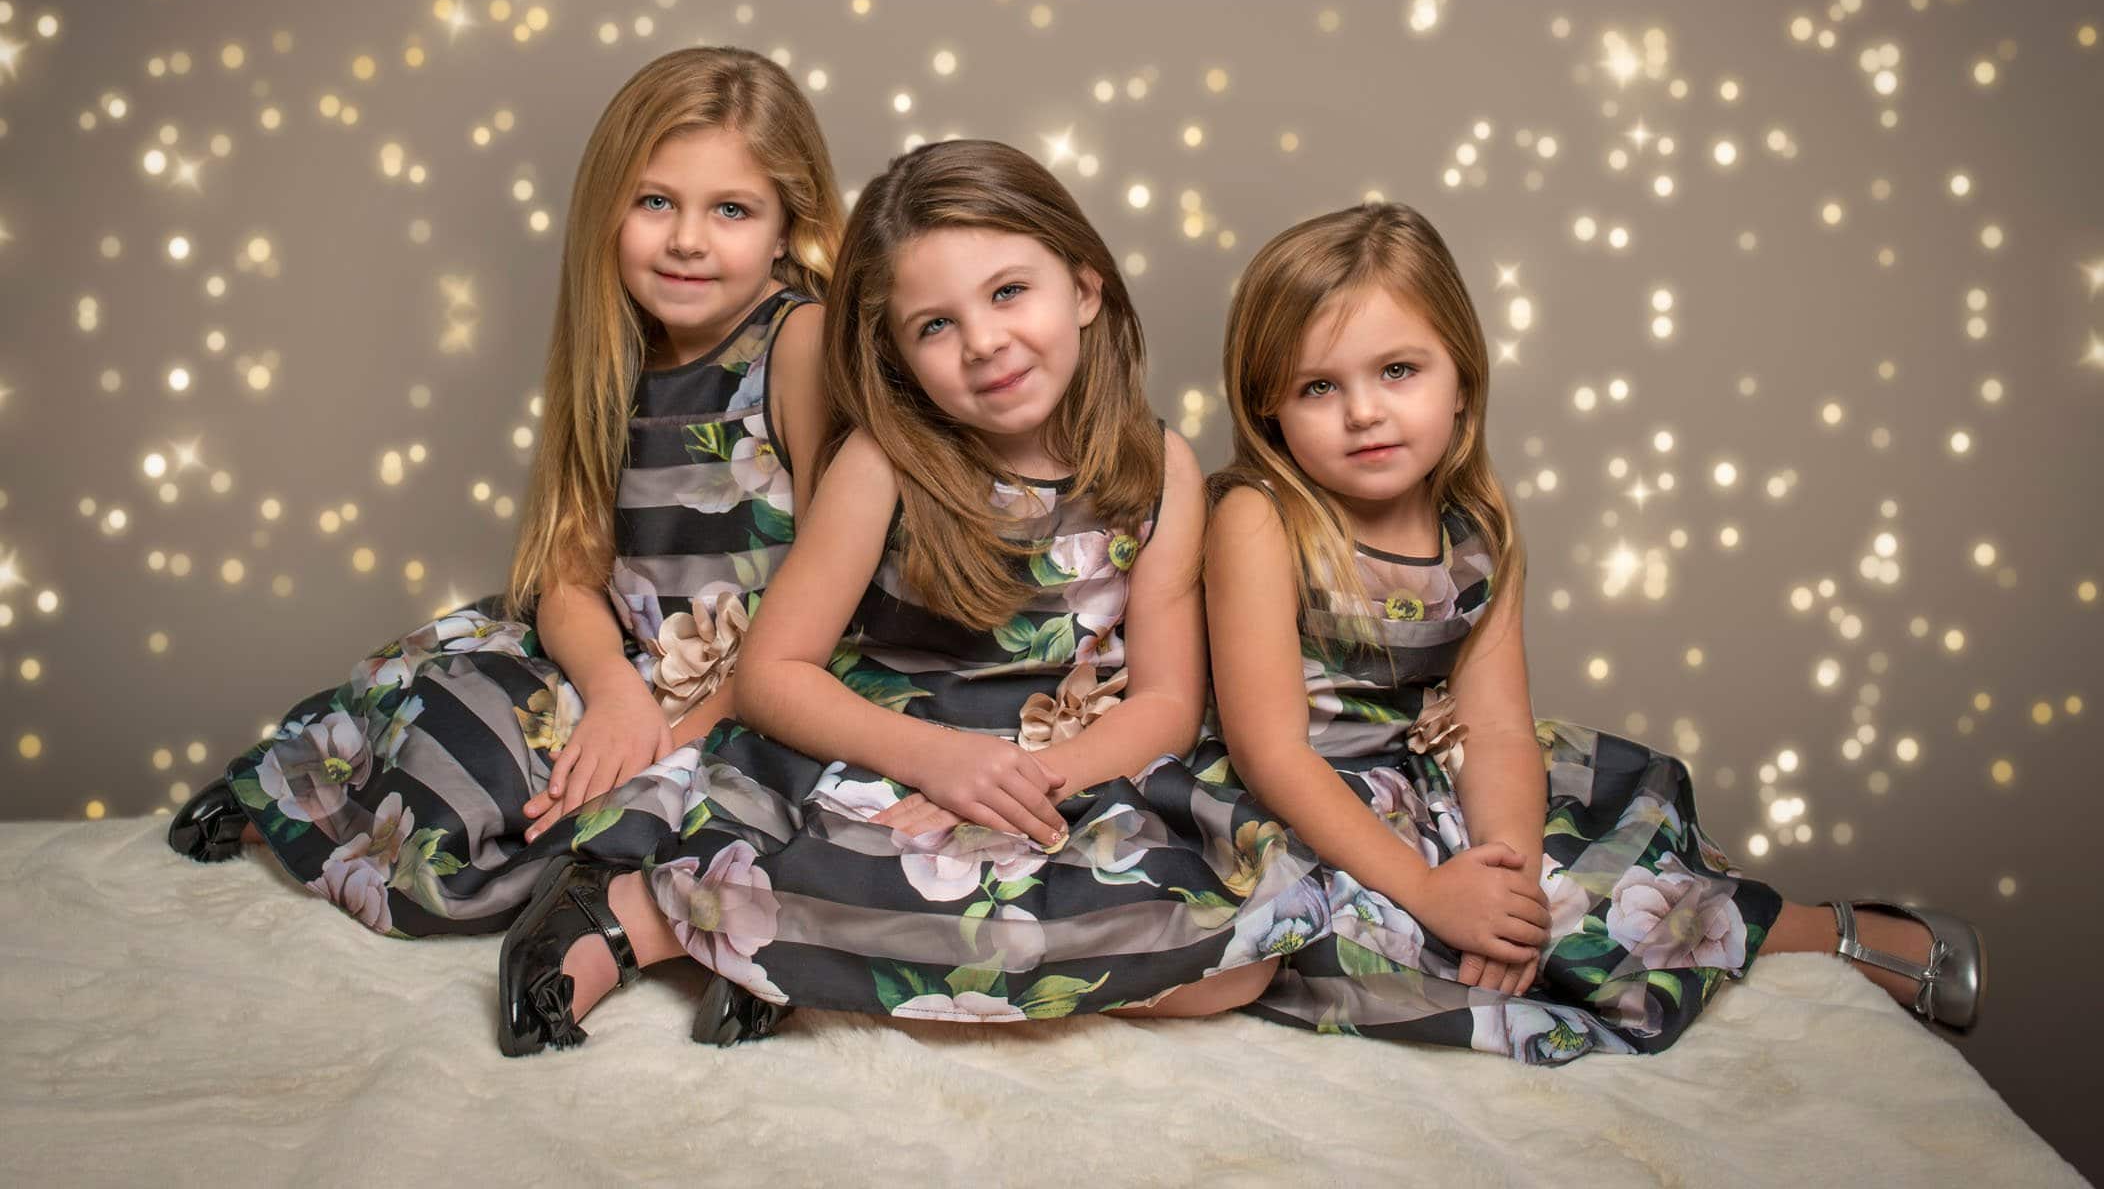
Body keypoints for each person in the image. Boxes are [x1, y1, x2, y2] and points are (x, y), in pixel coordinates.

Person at [495, 139, 1321, 1054]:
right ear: (895, 353)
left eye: (1010, 292)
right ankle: (628, 914)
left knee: (1242, 960)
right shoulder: (884, 463)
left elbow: (1168, 701)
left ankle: (778, 952)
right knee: (844, 851)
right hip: (887, 761)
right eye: (934, 325)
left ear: (1085, 289)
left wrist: (1030, 780)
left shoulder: (1157, 465)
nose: (985, 343)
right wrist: (939, 762)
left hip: (1057, 772)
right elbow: (774, 674)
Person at [1198, 202, 1983, 1061]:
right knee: (1361, 940)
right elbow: (1272, 750)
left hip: (1436, 791)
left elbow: (1495, 726)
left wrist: (1507, 877)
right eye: (1320, 386)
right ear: (1268, 405)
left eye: (1398, 370)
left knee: (1599, 890)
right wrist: (1429, 890)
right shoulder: (1259, 518)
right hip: (1305, 799)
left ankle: (1840, 931)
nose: (1363, 412)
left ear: (1461, 374)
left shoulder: (1478, 527)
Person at [165, 47, 843, 937]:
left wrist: (680, 731)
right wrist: (612, 692)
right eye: (655, 202)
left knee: (672, 813)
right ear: (608, 209)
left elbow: (848, 586)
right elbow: (567, 568)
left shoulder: (800, 343)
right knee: (452, 717)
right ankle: (290, 792)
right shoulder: (616, 350)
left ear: (788, 223)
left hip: (769, 686)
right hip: (622, 667)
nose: (686, 238)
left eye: (730, 209)